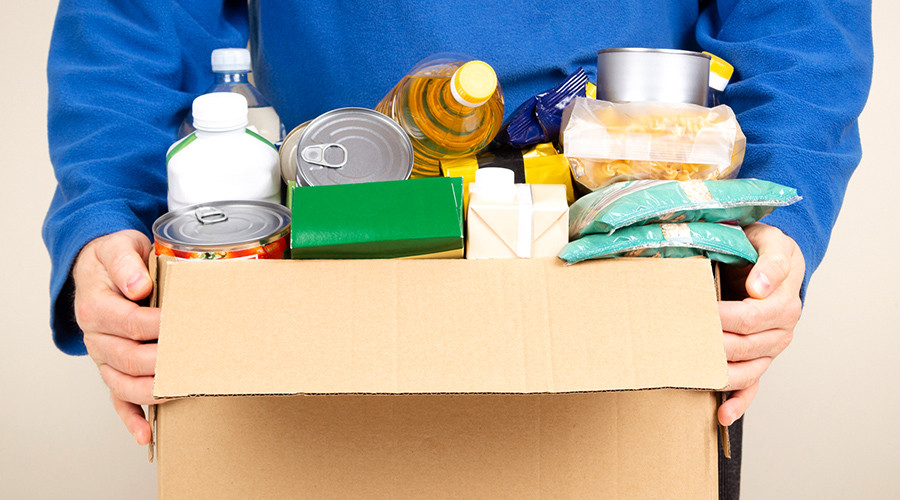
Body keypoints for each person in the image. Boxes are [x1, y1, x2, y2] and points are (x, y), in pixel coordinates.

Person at [43, 1, 872, 497]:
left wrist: (771, 222)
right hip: (326, 254)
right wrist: (109, 218)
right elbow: (132, 19)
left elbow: (799, 20)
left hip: (636, 260)